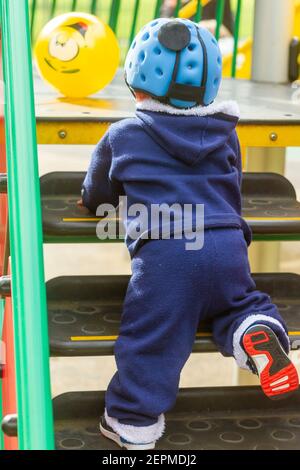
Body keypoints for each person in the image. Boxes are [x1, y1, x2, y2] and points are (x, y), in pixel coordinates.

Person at [80, 19, 299, 450]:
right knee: (238, 302)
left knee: (154, 336)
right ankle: (253, 330)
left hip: (168, 258)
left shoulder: (124, 134)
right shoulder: (226, 133)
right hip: (227, 243)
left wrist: (93, 203)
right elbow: (232, 185)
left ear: (137, 80)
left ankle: (132, 421)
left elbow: (97, 190)